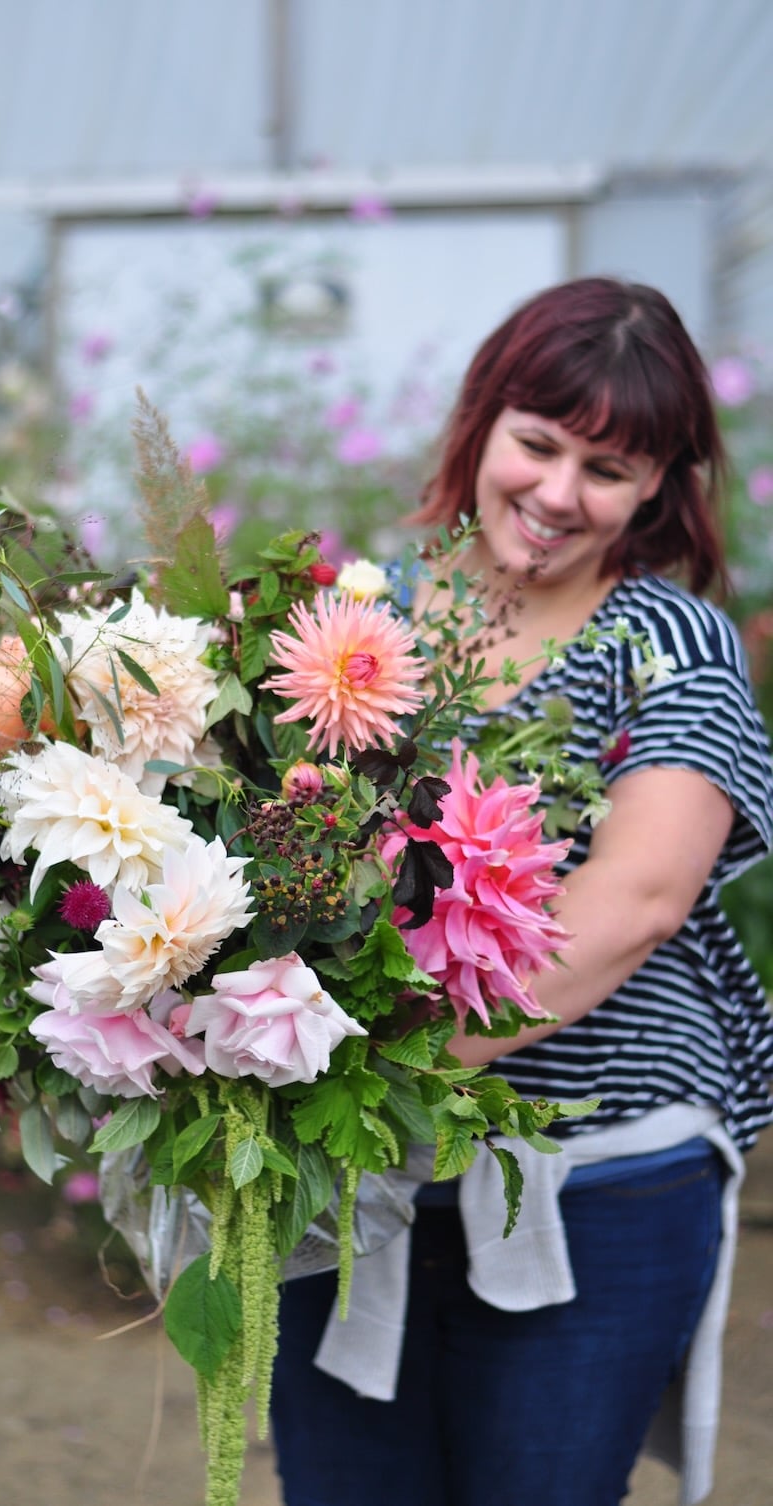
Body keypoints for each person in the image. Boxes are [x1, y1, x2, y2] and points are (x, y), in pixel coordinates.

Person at [269, 278, 773, 1506]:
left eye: (608, 468)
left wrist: (376, 1077)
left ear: (657, 485)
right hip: (360, 1184)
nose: (557, 495)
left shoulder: (667, 641)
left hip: (593, 1178)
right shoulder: (363, 621)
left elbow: (637, 902)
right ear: (482, 425)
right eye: (537, 445)